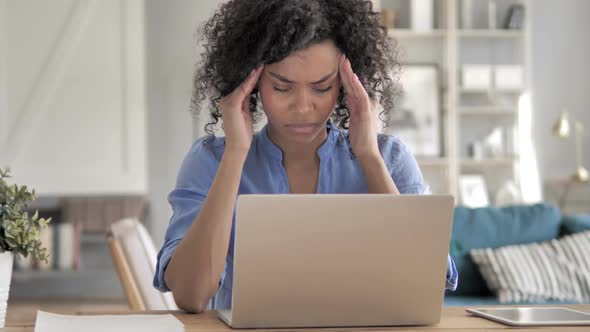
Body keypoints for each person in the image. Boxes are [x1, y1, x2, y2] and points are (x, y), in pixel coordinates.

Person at [154, 0, 458, 313]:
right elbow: (191, 296)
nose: (302, 107)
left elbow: (430, 283)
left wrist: (368, 156)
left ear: (344, 86)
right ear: (253, 83)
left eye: (322, 87)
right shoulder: (210, 161)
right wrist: (236, 152)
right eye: (282, 87)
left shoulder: (389, 158)